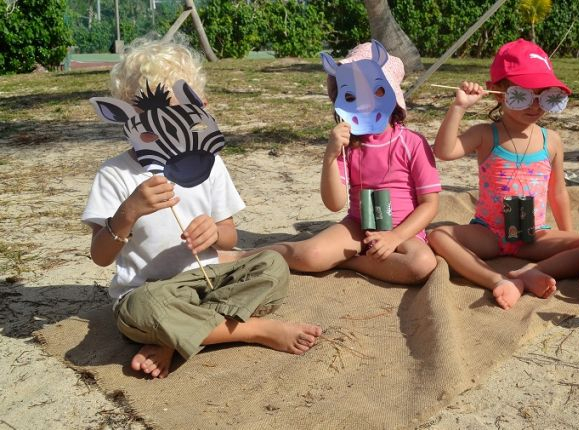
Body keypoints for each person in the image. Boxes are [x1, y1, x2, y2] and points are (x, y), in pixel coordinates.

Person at [82, 37, 322, 379]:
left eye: (176, 114)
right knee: (139, 310)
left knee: (272, 265)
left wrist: (214, 232)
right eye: (148, 121)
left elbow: (229, 235)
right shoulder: (116, 174)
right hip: (149, 291)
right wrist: (128, 213)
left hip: (209, 282)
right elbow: (100, 256)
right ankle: (254, 330)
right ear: (126, 117)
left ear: (200, 107)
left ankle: (172, 338)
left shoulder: (210, 165)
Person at [227, 42, 441, 285]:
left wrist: (394, 237)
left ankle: (348, 261)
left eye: (376, 90)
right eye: (351, 95)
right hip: (358, 227)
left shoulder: (412, 142)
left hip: (403, 232)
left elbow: (430, 204)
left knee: (422, 264)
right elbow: (334, 203)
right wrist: (331, 155)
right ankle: (241, 255)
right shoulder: (348, 144)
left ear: (391, 92)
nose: (364, 100)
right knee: (311, 254)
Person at [428, 39, 579, 310]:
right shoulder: (485, 134)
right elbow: (444, 151)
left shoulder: (551, 140)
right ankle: (497, 280)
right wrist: (458, 108)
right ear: (497, 92)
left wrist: (566, 238)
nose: (535, 105)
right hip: (489, 234)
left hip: (533, 236)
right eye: (524, 95)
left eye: (545, 96)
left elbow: (558, 192)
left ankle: (527, 274)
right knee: (437, 236)